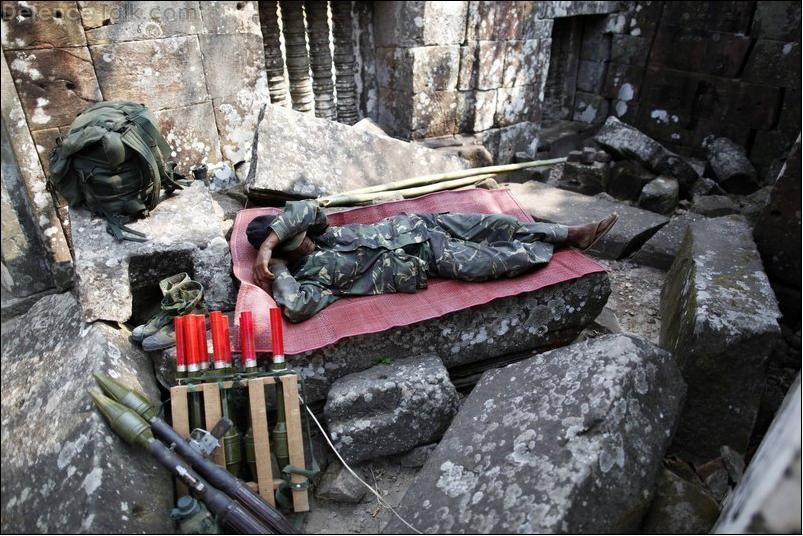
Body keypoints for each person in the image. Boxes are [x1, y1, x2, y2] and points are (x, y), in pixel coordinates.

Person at [247, 199, 618, 323]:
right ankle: (555, 245)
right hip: (426, 257)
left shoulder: (320, 231)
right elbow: (294, 307)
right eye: (295, 246)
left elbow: (307, 208)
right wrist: (277, 265)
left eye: (299, 235)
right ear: (284, 259)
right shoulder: (312, 281)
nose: (306, 243)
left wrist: (273, 242)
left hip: (421, 225)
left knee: (500, 224)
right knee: (495, 262)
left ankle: (570, 233)